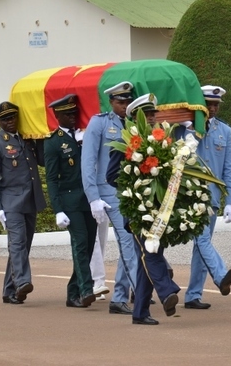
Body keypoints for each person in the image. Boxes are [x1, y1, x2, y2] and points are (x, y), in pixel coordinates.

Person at [107, 93, 181, 325]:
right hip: (138, 209)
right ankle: (167, 291)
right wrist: (136, 179)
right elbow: (111, 175)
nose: (151, 118)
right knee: (151, 252)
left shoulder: (161, 142)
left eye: (152, 114)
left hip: (158, 209)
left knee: (145, 260)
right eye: (145, 114)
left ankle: (140, 312)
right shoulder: (127, 143)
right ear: (134, 118)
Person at [81, 82, 137, 315]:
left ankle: (120, 297)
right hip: (107, 193)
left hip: (130, 193)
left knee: (131, 242)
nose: (124, 106)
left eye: (127, 102)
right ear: (111, 102)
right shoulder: (99, 123)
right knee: (127, 241)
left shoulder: (134, 124)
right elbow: (88, 162)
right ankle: (142, 288)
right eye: (120, 102)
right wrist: (93, 197)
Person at [180, 85, 231, 310]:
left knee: (201, 245)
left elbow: (229, 169)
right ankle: (221, 275)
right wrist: (190, 130)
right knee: (202, 240)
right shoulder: (184, 128)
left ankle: (193, 295)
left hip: (212, 198)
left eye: (216, 105)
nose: (212, 109)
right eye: (208, 104)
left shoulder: (225, 131)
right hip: (190, 196)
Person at [0, 101, 46, 304]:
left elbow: (41, 161)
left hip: (30, 200)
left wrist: (41, 135)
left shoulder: (27, 140)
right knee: (17, 243)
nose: (10, 122)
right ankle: (22, 282)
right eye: (5, 119)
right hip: (10, 202)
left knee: (23, 245)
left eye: (12, 118)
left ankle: (9, 290)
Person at [44, 94, 98, 308]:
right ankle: (86, 289)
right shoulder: (53, 142)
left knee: (89, 245)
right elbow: (51, 178)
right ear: (57, 116)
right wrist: (58, 209)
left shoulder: (84, 136)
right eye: (67, 114)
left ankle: (72, 292)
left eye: (74, 113)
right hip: (69, 200)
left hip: (88, 199)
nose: (72, 117)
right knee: (80, 243)